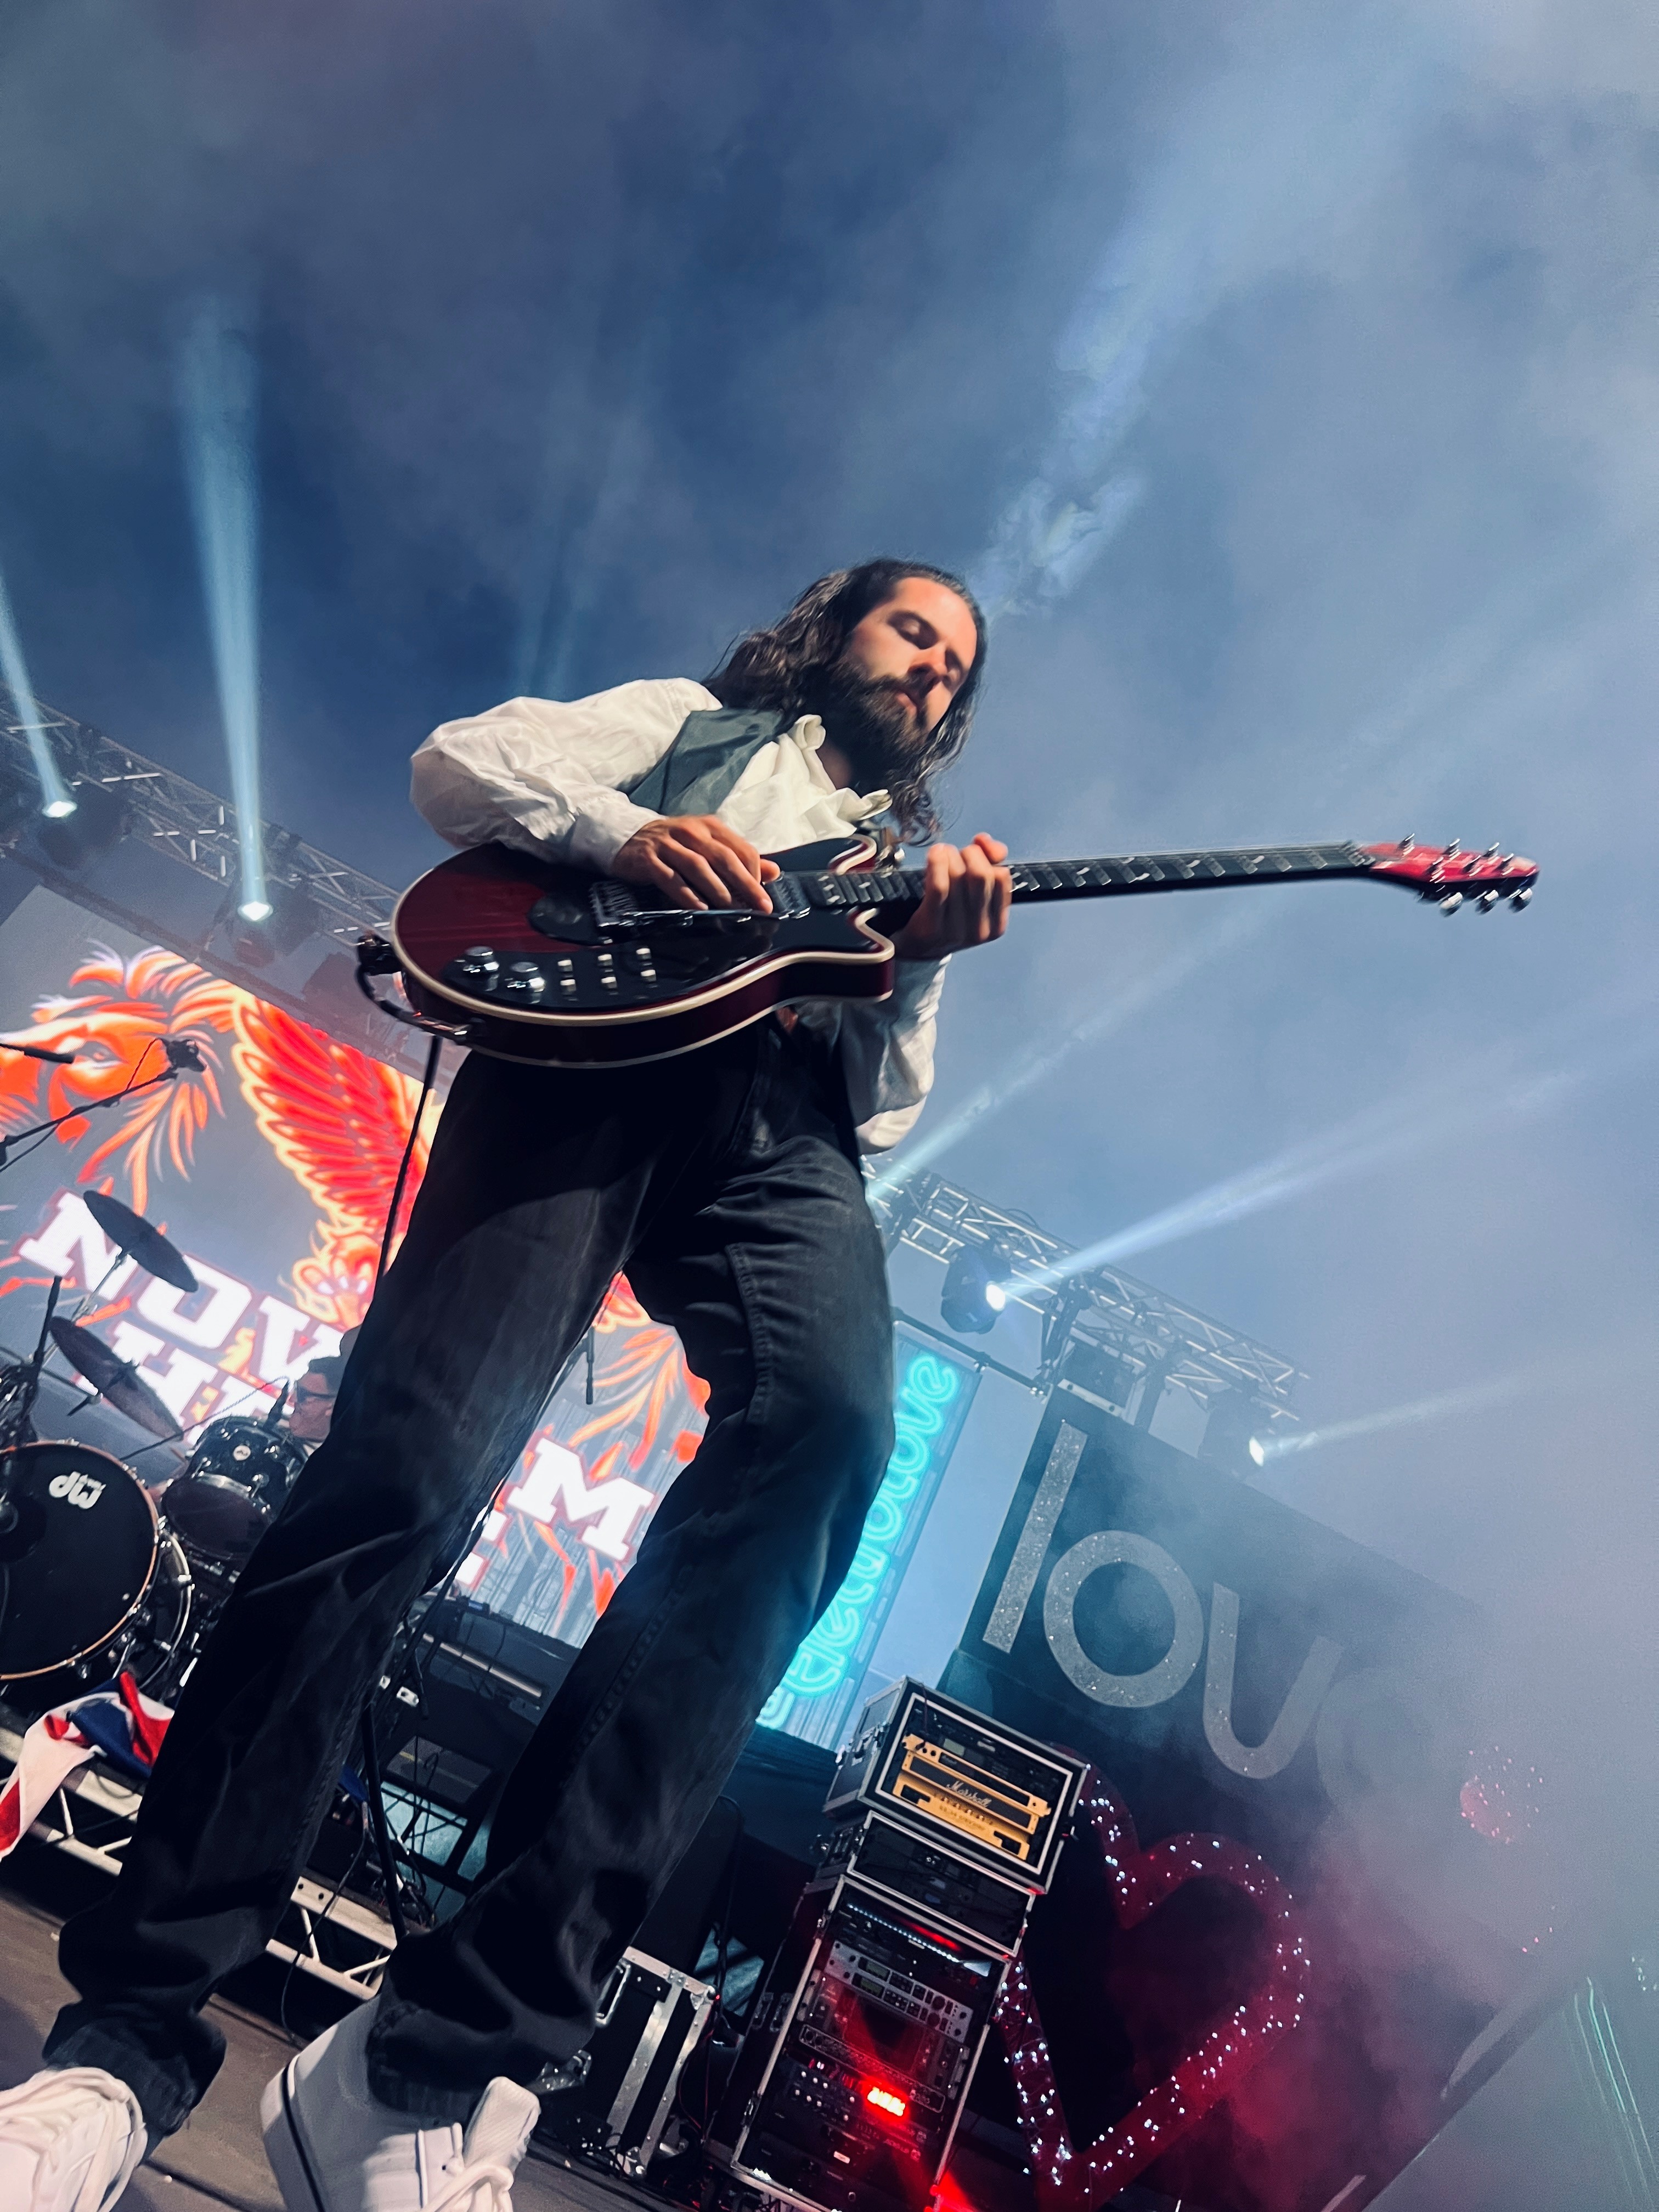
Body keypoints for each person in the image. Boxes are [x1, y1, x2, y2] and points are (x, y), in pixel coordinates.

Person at [0, 559, 1011, 2212]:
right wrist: (626, 836)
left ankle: (430, 2061)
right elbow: (460, 764)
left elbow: (886, 1112)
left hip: (780, 1133)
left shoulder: (903, 864)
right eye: (914, 634)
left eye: (955, 670)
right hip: (591, 1051)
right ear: (837, 631)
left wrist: (918, 957)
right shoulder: (692, 728)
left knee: (833, 1431)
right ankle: (123, 2048)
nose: (930, 675)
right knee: (405, 1473)